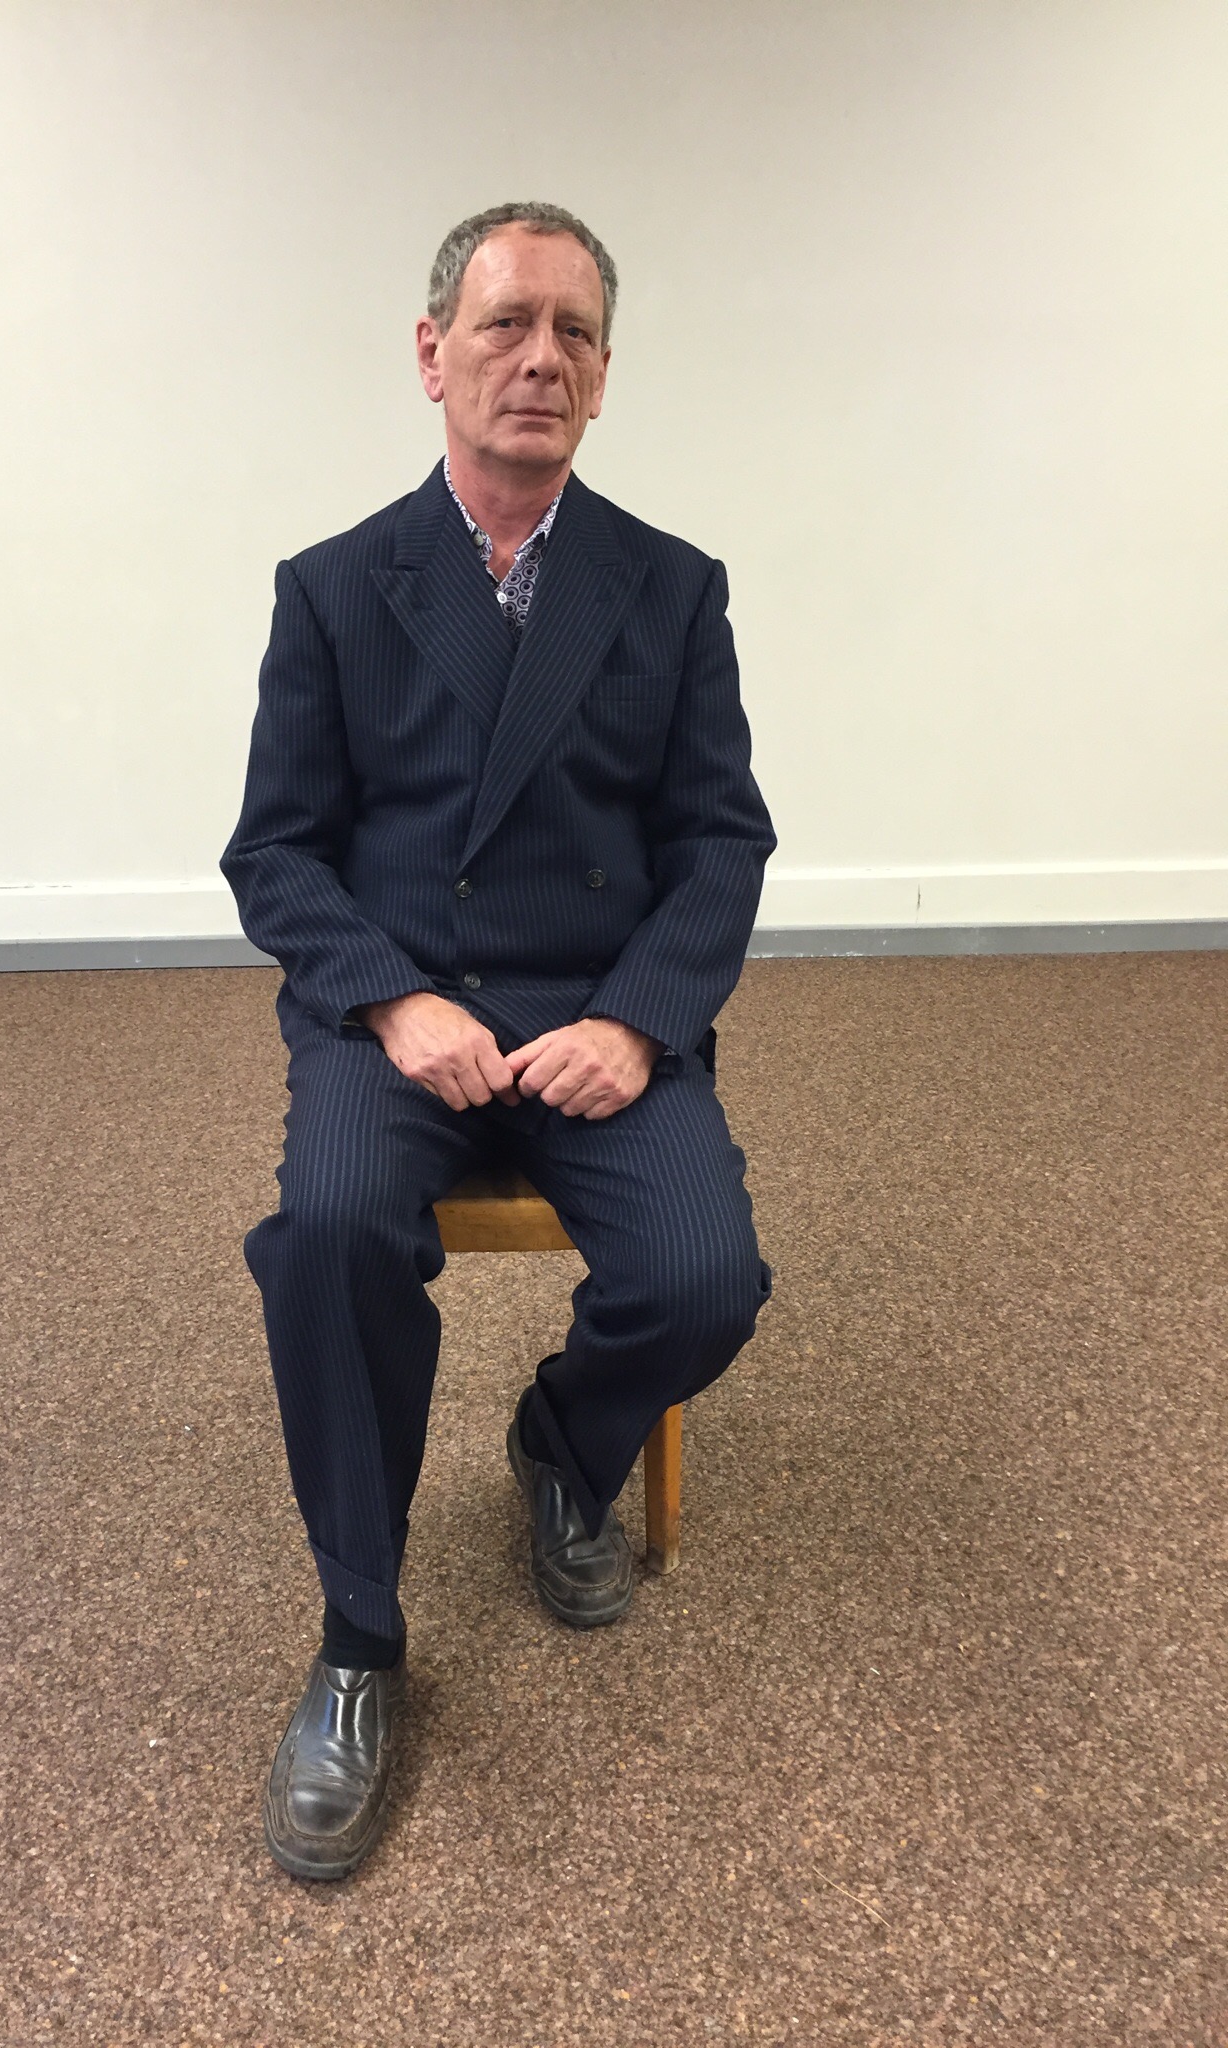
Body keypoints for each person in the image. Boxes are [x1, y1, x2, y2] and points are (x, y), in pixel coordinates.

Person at [221, 201, 775, 1881]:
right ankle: (358, 1639)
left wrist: (640, 1022)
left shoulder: (671, 588)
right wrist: (393, 999)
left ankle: (560, 1439)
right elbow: (276, 853)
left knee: (707, 1281)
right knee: (329, 1232)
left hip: (600, 1016)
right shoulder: (334, 587)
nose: (540, 358)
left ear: (604, 377)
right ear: (432, 354)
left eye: (574, 334)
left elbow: (720, 843)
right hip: (399, 1014)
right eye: (505, 324)